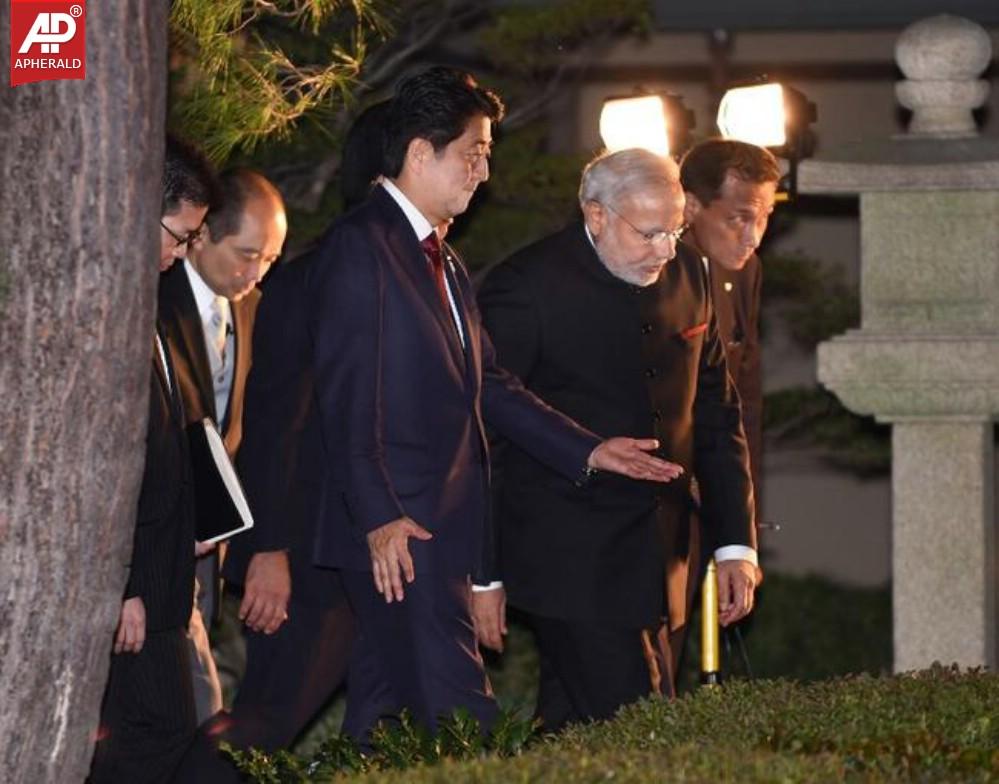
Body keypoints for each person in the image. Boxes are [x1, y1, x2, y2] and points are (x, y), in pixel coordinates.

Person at [300, 66, 682, 743]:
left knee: (380, 721)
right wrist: (380, 515)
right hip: (402, 532)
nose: (483, 172)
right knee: (465, 720)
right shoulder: (363, 247)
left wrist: (587, 449)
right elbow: (346, 395)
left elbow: (490, 384)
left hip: (440, 526)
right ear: (422, 153)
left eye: (487, 156)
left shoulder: (440, 260)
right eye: (473, 154)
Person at [474, 148, 760, 731]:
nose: (666, 249)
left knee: (573, 734)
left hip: (661, 554)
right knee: (646, 727)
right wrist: (484, 572)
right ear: (596, 215)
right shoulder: (523, 286)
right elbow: (485, 424)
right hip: (567, 557)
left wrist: (736, 545)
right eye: (650, 232)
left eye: (675, 230)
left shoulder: (691, 272)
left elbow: (716, 414)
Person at [90, 136, 216, 783]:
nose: (178, 254)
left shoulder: (154, 302)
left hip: (166, 576)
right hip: (135, 586)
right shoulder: (101, 308)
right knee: (156, 734)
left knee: (169, 731)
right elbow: (104, 467)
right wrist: (124, 583)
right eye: (178, 235)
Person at [157, 169, 288, 722]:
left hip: (211, 548)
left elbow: (254, 435)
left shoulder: (253, 307)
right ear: (203, 233)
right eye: (247, 254)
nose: (254, 273)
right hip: (158, 538)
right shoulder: (154, 294)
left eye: (270, 260)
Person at [679, 139, 780, 509]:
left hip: (720, 481)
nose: (753, 237)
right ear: (690, 207)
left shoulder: (747, 271)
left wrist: (745, 520)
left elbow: (745, 398)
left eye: (766, 215)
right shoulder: (652, 267)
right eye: (739, 218)